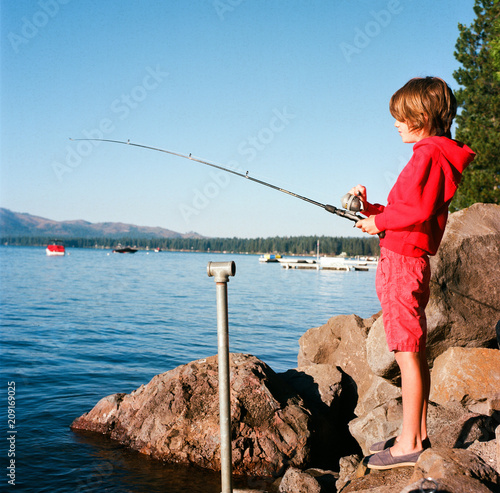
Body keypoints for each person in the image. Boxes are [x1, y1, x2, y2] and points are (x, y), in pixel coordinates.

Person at [350, 76, 475, 470]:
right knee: (414, 354)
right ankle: (416, 434)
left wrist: (380, 223)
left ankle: (407, 446)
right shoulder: (436, 153)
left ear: (421, 116)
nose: (395, 124)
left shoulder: (428, 154)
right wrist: (373, 210)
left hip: (402, 263)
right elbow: (411, 207)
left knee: (406, 356)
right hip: (408, 258)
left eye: (400, 117)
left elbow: (416, 212)